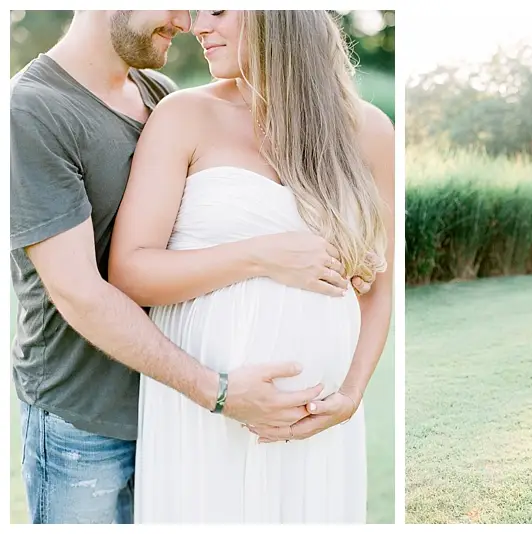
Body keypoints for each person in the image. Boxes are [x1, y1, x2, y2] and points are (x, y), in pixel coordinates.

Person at [10, 10, 371, 524]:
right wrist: (219, 392)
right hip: (86, 419)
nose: (188, 19)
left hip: (173, 407)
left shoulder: (156, 92)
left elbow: (203, 223)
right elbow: (79, 292)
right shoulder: (31, 110)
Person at [106, 10, 394, 523]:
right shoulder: (184, 116)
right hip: (204, 415)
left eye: (219, 10)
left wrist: (350, 395)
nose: (198, 26)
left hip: (317, 422)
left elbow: (380, 285)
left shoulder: (369, 129)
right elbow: (130, 272)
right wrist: (261, 255)